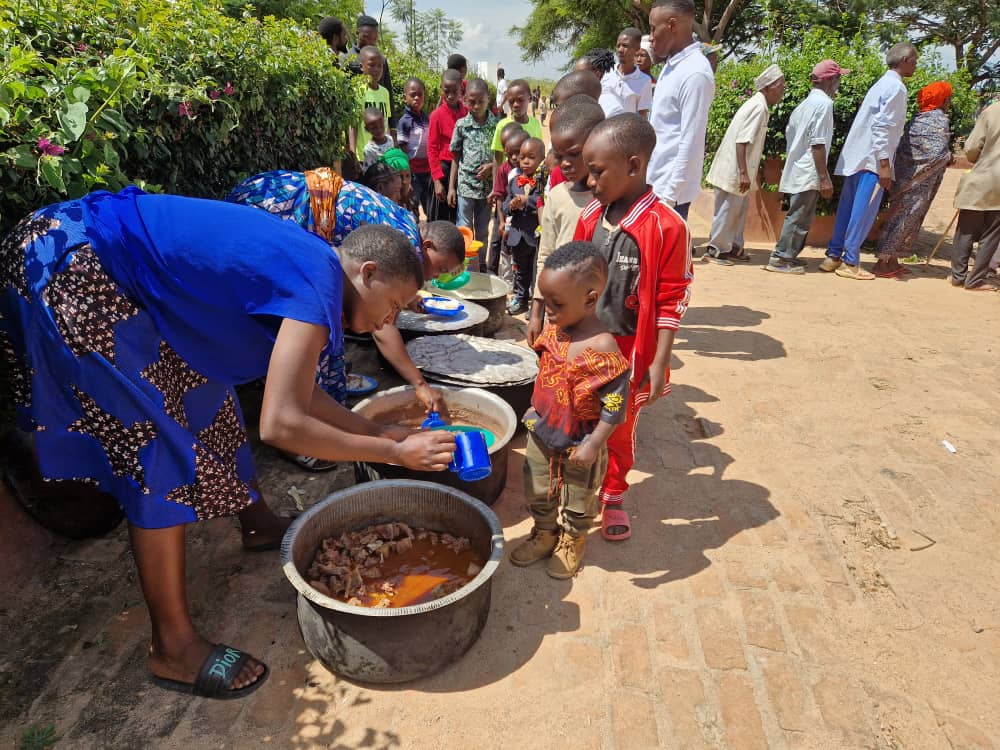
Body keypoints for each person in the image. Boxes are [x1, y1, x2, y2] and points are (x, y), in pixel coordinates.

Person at [0, 189, 456, 700]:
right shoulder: (316, 284)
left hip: (101, 264)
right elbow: (281, 425)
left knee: (208, 395)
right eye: (392, 307)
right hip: (74, 264)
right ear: (367, 272)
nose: (386, 323)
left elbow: (300, 395)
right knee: (159, 449)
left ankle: (256, 522)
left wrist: (383, 432)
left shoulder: (314, 270)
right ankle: (172, 646)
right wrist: (394, 454)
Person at [227, 169, 465, 415]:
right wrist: (419, 383)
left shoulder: (406, 222)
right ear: (428, 246)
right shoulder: (406, 246)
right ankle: (302, 419)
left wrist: (406, 299)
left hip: (263, 191)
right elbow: (383, 329)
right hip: (276, 208)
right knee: (313, 346)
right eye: (440, 268)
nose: (435, 277)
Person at [574, 114, 693, 541]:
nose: (589, 181)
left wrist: (660, 360)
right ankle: (574, 488)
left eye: (597, 171)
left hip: (629, 352)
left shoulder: (667, 227)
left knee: (618, 426)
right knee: (580, 419)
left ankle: (613, 494)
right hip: (585, 347)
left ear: (634, 165)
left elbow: (671, 297)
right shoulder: (590, 217)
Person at [512, 242, 630, 578]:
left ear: (590, 299)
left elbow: (616, 403)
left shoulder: (603, 348)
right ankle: (545, 533)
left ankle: (572, 539)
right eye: (546, 301)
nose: (548, 310)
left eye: (556, 304)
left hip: (582, 441)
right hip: (541, 430)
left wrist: (595, 442)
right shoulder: (555, 328)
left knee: (578, 497)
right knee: (538, 487)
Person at [821, 42, 918, 280]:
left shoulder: (881, 84)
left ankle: (833, 256)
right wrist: (884, 165)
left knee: (848, 209)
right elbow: (883, 127)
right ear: (904, 60)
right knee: (863, 213)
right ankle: (850, 262)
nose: (916, 65)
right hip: (873, 161)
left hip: (858, 157)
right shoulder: (896, 88)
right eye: (914, 60)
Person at [528, 96, 606, 345]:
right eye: (560, 156)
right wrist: (536, 313)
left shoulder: (609, 200)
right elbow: (545, 256)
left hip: (597, 314)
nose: (566, 163)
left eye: (574, 154)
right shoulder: (558, 196)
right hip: (559, 309)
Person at [767, 60, 847, 274]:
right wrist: (824, 177)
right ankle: (781, 258)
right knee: (799, 216)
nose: (839, 84)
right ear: (830, 81)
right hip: (808, 170)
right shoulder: (824, 105)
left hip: (798, 168)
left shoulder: (804, 105)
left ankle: (788, 256)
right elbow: (818, 142)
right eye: (838, 79)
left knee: (801, 216)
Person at [703, 65, 786, 264]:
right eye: (780, 86)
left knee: (738, 211)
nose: (783, 91)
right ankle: (716, 250)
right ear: (767, 88)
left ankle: (733, 247)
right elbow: (742, 141)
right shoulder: (758, 107)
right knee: (727, 210)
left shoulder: (760, 105)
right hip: (734, 169)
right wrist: (742, 173)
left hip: (739, 169)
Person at [873, 82, 953, 277]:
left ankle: (893, 260)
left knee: (905, 220)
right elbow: (935, 153)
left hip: (906, 178)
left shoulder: (918, 118)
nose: (950, 101)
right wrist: (949, 157)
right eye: (948, 97)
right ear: (941, 99)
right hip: (917, 182)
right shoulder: (938, 120)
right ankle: (882, 263)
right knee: (903, 219)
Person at [646, 0, 716, 220]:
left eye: (653, 28)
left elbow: (691, 141)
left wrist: (669, 197)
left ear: (672, 25)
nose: (650, 36)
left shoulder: (695, 73)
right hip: (655, 184)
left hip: (668, 195)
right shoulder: (673, 65)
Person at [950, 99, 1000, 291]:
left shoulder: (992, 110)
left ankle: (958, 276)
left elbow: (971, 149)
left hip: (982, 178)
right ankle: (976, 279)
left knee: (966, 230)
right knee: (992, 233)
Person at [449, 78, 499, 248]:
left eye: (481, 102)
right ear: (465, 100)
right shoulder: (461, 126)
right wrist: (451, 187)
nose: (476, 106)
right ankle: (464, 265)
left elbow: (501, 156)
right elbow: (455, 157)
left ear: (488, 99)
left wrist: (492, 168)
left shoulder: (497, 126)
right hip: (465, 186)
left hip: (487, 188)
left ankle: (481, 266)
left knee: (482, 229)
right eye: (472, 102)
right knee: (463, 228)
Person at [504, 137, 547, 314]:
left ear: (542, 159)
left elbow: (543, 201)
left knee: (537, 270)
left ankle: (536, 306)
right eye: (522, 157)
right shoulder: (514, 181)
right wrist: (512, 206)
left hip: (534, 235)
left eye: (531, 157)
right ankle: (520, 299)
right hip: (517, 234)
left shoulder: (543, 182)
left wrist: (527, 201)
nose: (526, 161)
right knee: (520, 269)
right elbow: (504, 205)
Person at [488, 124, 529, 274]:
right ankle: (503, 276)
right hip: (507, 215)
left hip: (525, 218)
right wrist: (502, 220)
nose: (513, 157)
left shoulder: (531, 168)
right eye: (509, 153)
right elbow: (499, 196)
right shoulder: (503, 170)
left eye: (517, 153)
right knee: (503, 245)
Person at [427, 69, 468, 223]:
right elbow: (431, 149)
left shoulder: (467, 113)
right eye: (446, 91)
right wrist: (437, 181)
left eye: (454, 91)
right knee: (440, 221)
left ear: (461, 90)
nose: (450, 95)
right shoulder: (436, 116)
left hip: (462, 173)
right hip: (443, 172)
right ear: (441, 90)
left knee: (459, 219)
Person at [349, 15, 396, 127]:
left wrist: (393, 127)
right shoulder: (348, 58)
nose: (370, 41)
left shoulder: (381, 60)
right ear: (357, 33)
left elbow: (388, 92)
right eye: (366, 37)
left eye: (374, 39)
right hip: (360, 125)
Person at [490, 79, 544, 174]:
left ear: (530, 99)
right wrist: (495, 187)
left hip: (530, 180)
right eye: (511, 101)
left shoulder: (535, 124)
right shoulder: (502, 125)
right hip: (507, 180)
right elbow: (497, 157)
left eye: (520, 100)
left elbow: (538, 153)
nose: (515, 105)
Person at [348, 47, 391, 163]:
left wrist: (390, 150)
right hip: (363, 156)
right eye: (372, 65)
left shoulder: (385, 93)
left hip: (383, 156)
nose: (376, 70)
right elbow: (353, 125)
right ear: (362, 67)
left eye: (379, 66)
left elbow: (386, 123)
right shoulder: (357, 91)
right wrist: (352, 153)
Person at [600, 28, 654, 118]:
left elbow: (642, 116)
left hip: (626, 130)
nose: (620, 50)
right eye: (618, 46)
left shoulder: (644, 81)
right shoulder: (605, 73)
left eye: (625, 46)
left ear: (637, 49)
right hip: (601, 130)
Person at [397, 77, 432, 216]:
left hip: (427, 170)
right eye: (413, 95)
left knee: (429, 206)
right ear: (405, 97)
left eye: (420, 94)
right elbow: (403, 149)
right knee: (413, 206)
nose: (417, 97)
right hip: (413, 172)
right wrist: (408, 176)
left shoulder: (426, 118)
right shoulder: (404, 122)